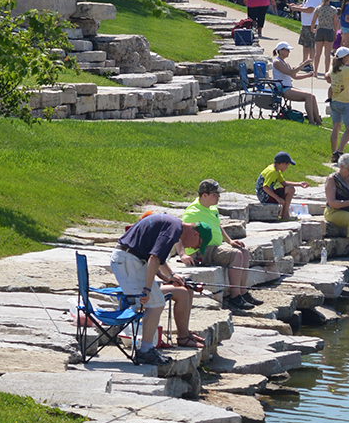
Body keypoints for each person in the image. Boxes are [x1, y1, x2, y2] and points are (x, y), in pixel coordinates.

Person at [112, 213, 208, 356]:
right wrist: (147, 288)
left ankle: (148, 348)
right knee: (156, 303)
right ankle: (145, 351)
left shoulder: (173, 225)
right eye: (199, 244)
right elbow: (154, 258)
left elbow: (156, 258)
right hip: (128, 261)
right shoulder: (174, 229)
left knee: (157, 301)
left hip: (129, 259)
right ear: (195, 235)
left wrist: (169, 277)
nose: (194, 248)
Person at [183, 179, 262, 314]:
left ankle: (243, 292)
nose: (219, 196)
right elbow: (179, 234)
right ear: (205, 195)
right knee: (235, 255)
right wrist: (182, 254)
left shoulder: (213, 208)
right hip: (200, 251)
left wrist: (230, 241)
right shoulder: (192, 213)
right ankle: (235, 297)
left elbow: (218, 226)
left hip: (215, 248)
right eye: (215, 194)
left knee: (243, 251)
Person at [271, 41, 322, 125]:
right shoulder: (277, 62)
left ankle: (318, 120)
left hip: (288, 88)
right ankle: (311, 121)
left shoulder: (285, 62)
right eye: (287, 50)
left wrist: (307, 76)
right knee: (308, 96)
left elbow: (294, 76)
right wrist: (304, 64)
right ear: (280, 50)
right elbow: (290, 72)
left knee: (312, 97)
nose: (289, 52)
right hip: (283, 89)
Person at [256, 151, 310, 223]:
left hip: (267, 193)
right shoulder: (272, 171)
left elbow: (284, 183)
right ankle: (285, 215)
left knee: (290, 189)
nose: (287, 167)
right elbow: (265, 187)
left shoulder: (276, 170)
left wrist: (299, 184)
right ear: (283, 163)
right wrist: (278, 198)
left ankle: (284, 213)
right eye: (287, 165)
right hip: (264, 196)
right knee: (290, 190)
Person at [329, 47, 349, 161]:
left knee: (336, 127)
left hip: (334, 101)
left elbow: (327, 77)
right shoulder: (347, 70)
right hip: (345, 103)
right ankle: (340, 151)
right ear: (345, 57)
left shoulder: (334, 69)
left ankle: (333, 153)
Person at [291, 0, 323, 71]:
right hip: (305, 23)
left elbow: (310, 9)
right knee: (305, 44)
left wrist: (297, 9)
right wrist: (296, 6)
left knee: (311, 45)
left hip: (312, 24)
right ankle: (304, 63)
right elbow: (304, 5)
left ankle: (310, 64)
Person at [311, 0, 339, 78]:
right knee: (327, 54)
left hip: (320, 30)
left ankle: (315, 71)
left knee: (317, 53)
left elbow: (313, 21)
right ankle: (326, 72)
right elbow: (335, 23)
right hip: (329, 30)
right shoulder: (333, 10)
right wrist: (335, 33)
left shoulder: (318, 8)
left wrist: (312, 29)